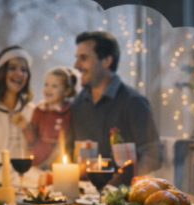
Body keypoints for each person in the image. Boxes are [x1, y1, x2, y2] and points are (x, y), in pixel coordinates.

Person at [69, 31, 161, 175]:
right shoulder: (77, 104)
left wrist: (128, 188)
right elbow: (68, 150)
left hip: (120, 194)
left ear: (106, 61)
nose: (76, 65)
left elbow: (153, 154)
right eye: (77, 58)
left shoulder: (134, 102)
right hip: (83, 195)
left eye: (84, 58)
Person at [23, 67, 78, 168]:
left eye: (54, 86)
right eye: (46, 84)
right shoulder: (39, 110)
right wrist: (25, 127)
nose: (48, 89)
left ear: (66, 91)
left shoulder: (69, 112)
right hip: (36, 162)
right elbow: (32, 138)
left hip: (58, 163)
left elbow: (67, 140)